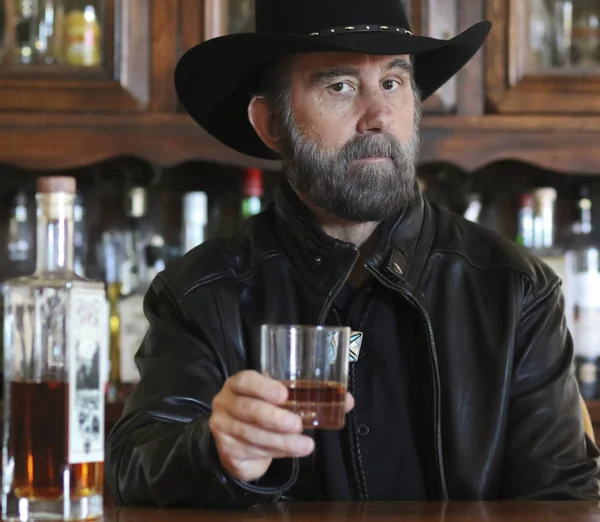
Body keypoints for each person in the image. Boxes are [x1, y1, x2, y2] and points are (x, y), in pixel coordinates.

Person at [106, 0, 600, 507]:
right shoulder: (200, 295)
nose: (379, 116)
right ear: (271, 122)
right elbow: (128, 469)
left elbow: (565, 501)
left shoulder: (516, 289)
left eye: (393, 82)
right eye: (339, 86)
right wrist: (213, 452)